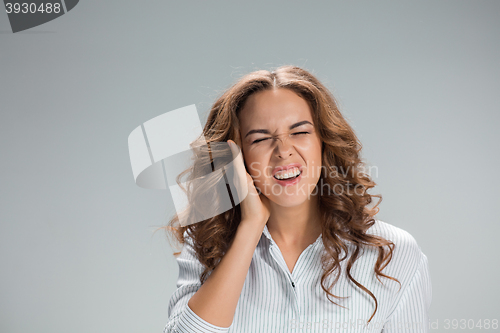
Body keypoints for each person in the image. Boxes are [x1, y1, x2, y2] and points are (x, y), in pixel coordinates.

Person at [163, 66, 432, 333]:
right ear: (237, 156)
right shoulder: (207, 244)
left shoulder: (394, 253)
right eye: (260, 138)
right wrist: (251, 225)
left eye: (300, 132)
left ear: (324, 141)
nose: (283, 151)